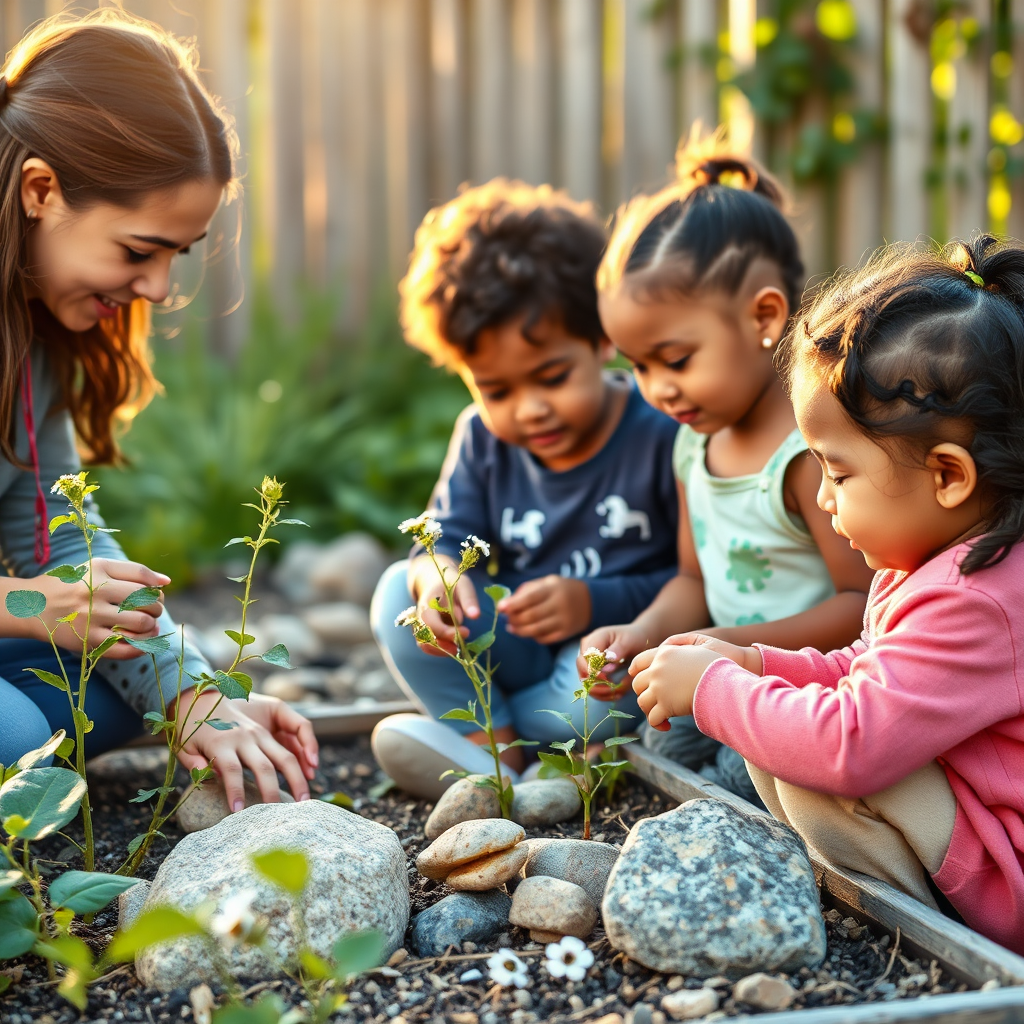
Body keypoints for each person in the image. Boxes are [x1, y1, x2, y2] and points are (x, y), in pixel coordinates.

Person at [629, 234, 1024, 952]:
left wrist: (716, 690)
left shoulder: (979, 599)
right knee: (776, 729)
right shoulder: (936, 561)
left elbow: (854, 742)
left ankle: (930, 927)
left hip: (1009, 880)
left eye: (838, 475)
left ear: (947, 476)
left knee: (808, 757)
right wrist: (750, 663)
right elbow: (864, 671)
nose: (822, 497)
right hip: (980, 826)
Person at [0, 10, 318, 811]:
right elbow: (43, 593)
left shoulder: (28, 348)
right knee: (20, 734)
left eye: (177, 253)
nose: (157, 289)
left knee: (108, 696)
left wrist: (197, 698)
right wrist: (34, 606)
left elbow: (58, 539)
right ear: (41, 190)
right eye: (139, 250)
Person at [579, 131, 874, 801]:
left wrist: (721, 647)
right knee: (657, 739)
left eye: (675, 360)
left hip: (806, 690)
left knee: (740, 774)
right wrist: (644, 634)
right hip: (722, 673)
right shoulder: (694, 443)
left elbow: (860, 607)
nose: (657, 390)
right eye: (638, 367)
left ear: (763, 317)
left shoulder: (806, 455)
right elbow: (692, 576)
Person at [370, 180, 679, 798]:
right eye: (497, 390)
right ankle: (500, 756)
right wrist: (440, 582)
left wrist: (591, 602)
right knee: (393, 600)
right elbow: (445, 534)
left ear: (602, 338)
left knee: (600, 696)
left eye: (552, 376)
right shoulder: (481, 438)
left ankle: (528, 747)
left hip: (603, 656)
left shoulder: (660, 433)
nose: (531, 409)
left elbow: (693, 580)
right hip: (511, 642)